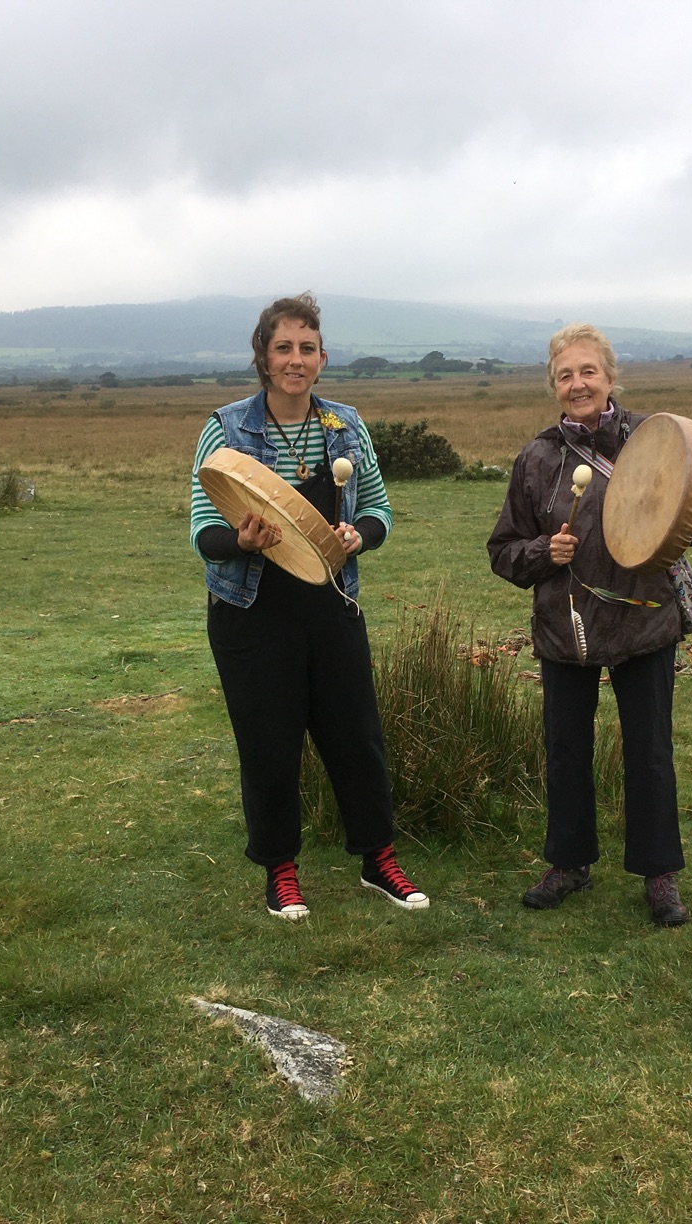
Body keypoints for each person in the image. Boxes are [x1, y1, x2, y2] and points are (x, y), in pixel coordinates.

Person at [189, 292, 427, 920]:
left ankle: (379, 861)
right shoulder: (227, 427)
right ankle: (281, 871)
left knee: (356, 738)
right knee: (269, 744)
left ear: (323, 358)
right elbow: (202, 532)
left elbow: (377, 510)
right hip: (251, 613)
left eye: (307, 349)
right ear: (263, 359)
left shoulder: (346, 426)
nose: (296, 360)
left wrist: (359, 536)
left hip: (332, 606)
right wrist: (240, 541)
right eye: (283, 348)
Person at [487, 324, 692, 927]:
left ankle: (658, 873)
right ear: (554, 386)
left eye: (588, 371)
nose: (577, 383)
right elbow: (503, 550)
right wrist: (544, 552)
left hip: (645, 624)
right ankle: (569, 863)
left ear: (611, 378)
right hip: (568, 628)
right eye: (565, 375)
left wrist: (660, 516)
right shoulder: (537, 459)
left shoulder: (654, 439)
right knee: (566, 751)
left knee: (649, 752)